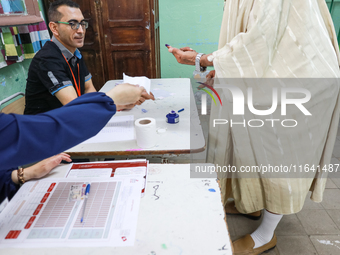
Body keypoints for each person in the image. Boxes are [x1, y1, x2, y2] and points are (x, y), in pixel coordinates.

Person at [168, 0, 340, 254]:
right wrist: (223, 65)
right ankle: (252, 202)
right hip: (274, 69)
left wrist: (201, 59)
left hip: (300, 77)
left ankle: (265, 234)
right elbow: (256, 34)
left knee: (277, 155)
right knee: (243, 138)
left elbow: (260, 39)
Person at [1, 82, 145, 204]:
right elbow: (48, 130)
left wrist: (21, 175)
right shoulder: (49, 59)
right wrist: (110, 100)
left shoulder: (77, 57)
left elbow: (89, 87)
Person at [24, 0, 154, 115]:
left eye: (82, 23)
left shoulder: (75, 54)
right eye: (72, 23)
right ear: (54, 28)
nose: (81, 30)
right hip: (43, 131)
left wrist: (121, 104)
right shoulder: (47, 59)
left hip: (68, 120)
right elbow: (74, 106)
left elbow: (88, 89)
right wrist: (115, 98)